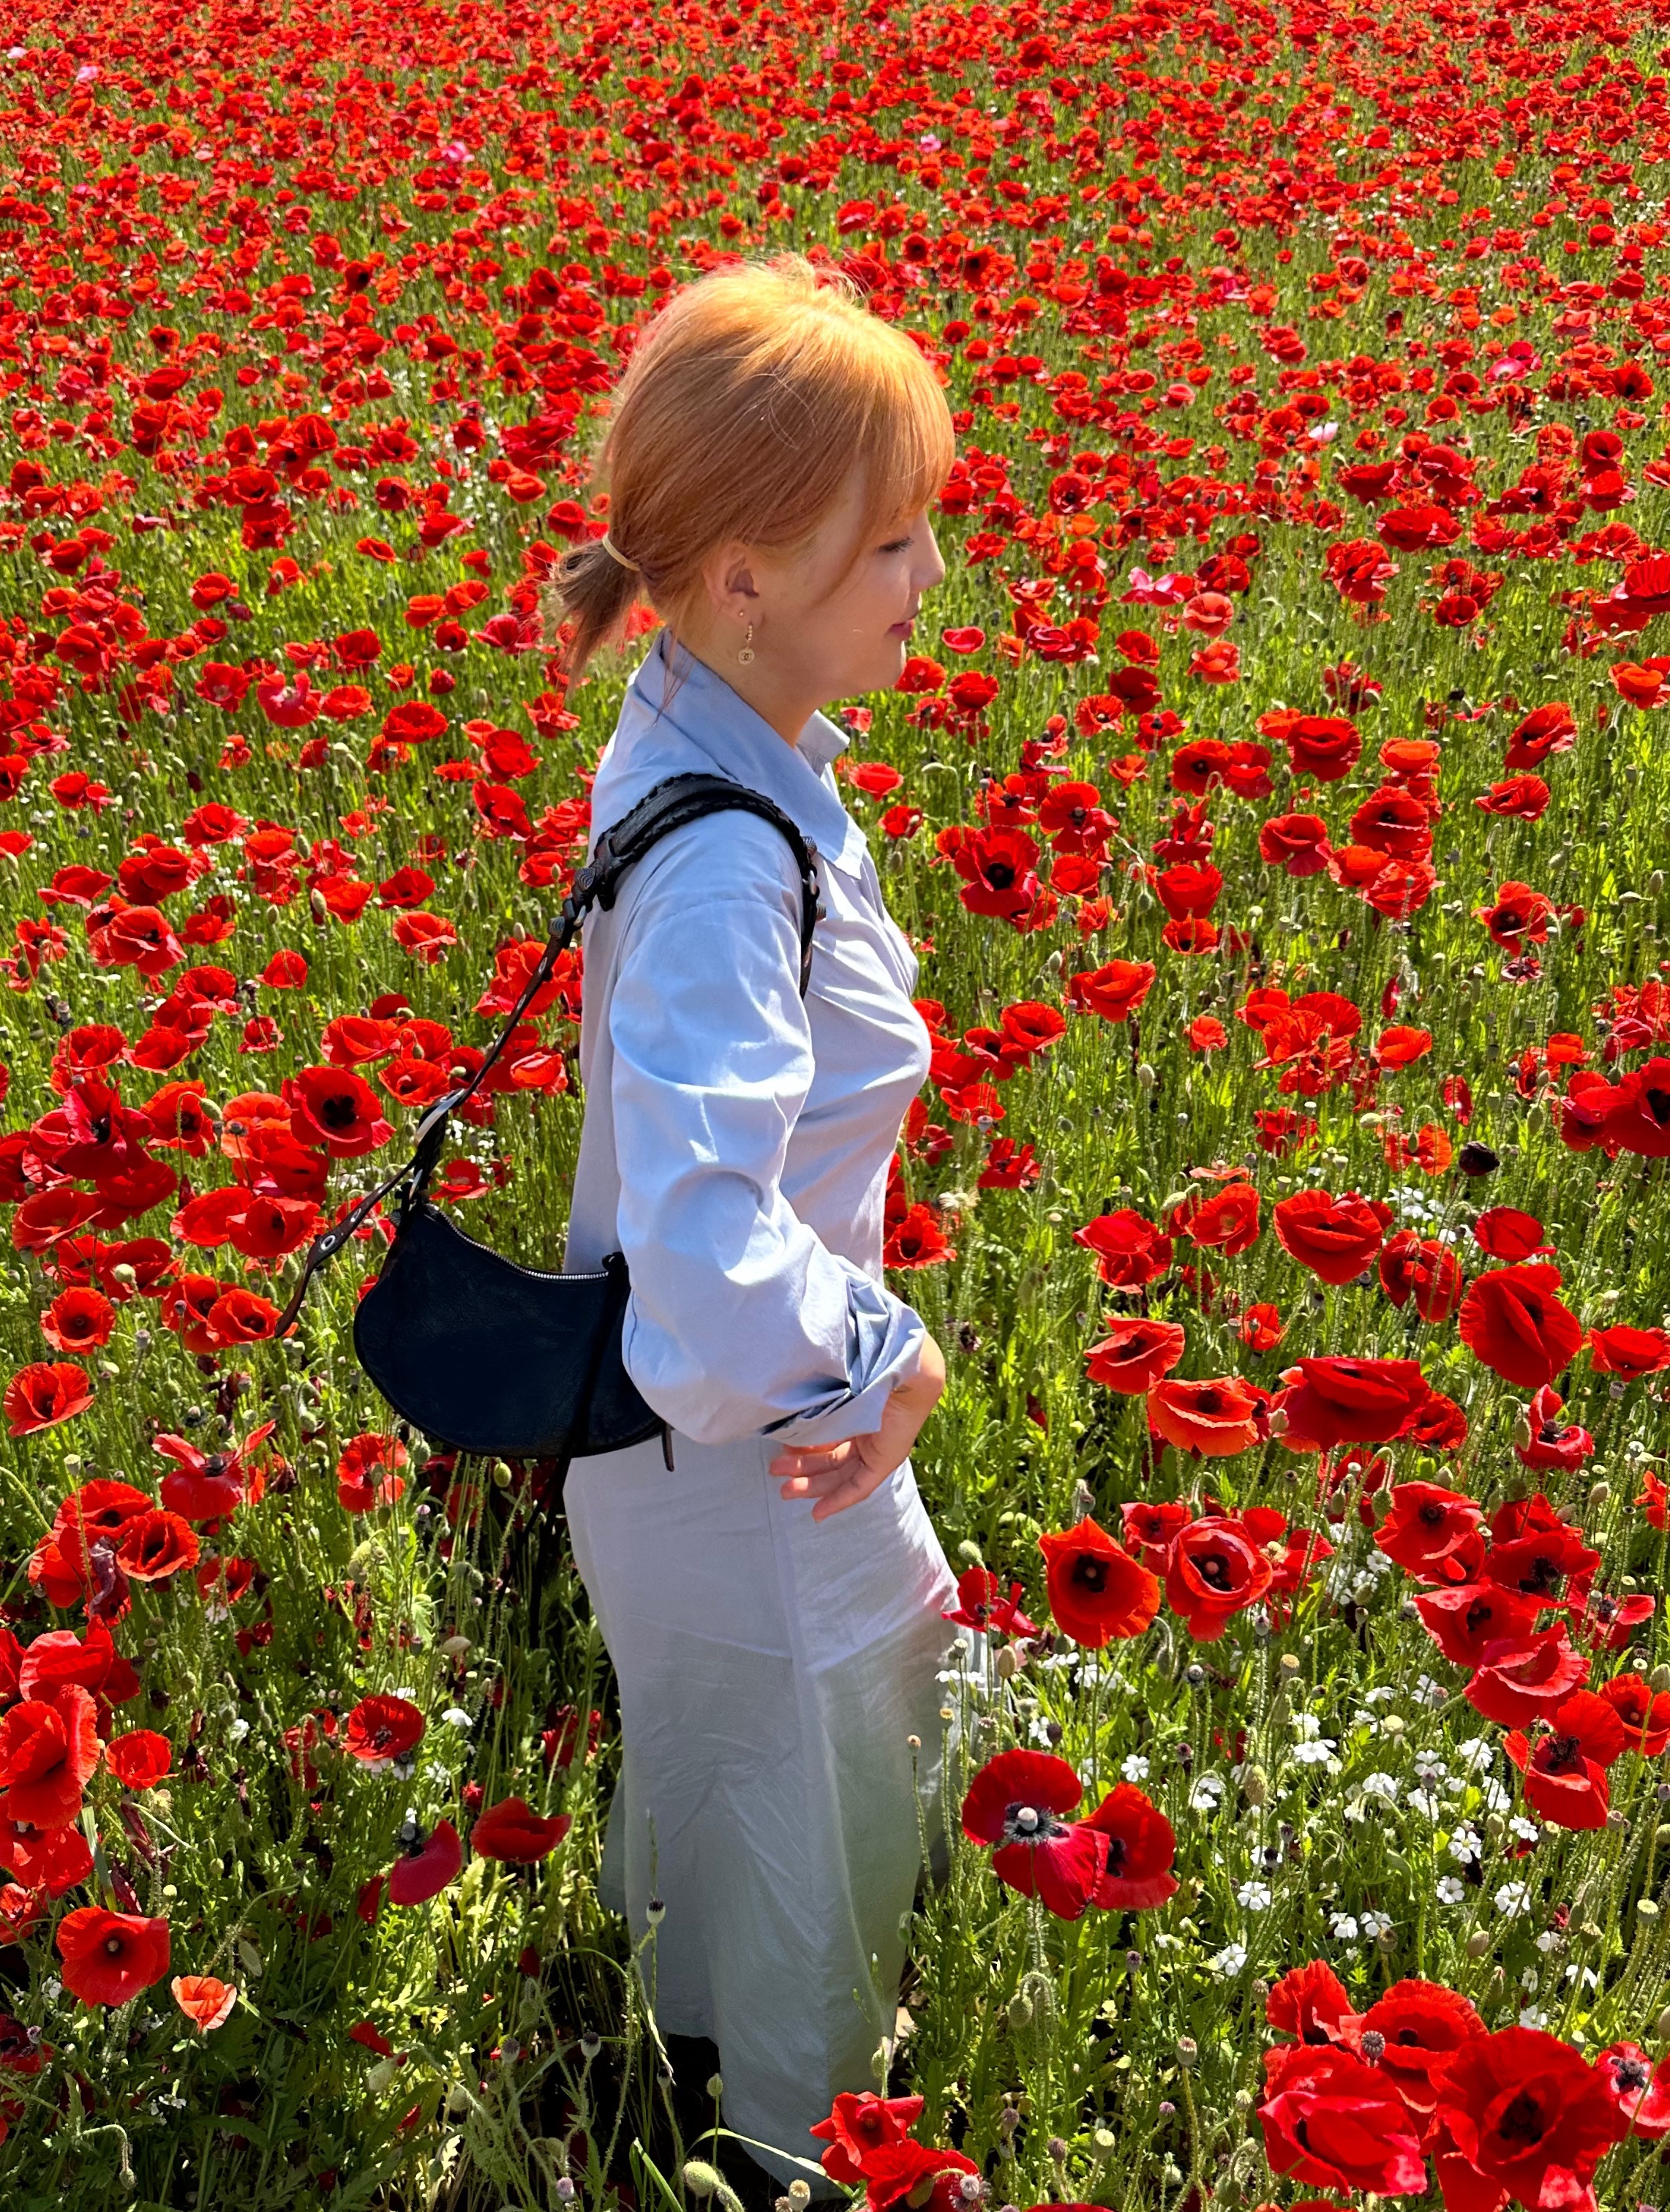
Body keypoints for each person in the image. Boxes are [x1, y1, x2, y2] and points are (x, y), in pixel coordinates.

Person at [545, 254, 964, 2192]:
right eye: (890, 546)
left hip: (731, 1455)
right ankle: (787, 2159)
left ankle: (710, 2091)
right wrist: (886, 1343)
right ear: (741, 583)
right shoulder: (727, 855)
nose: (924, 585)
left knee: (769, 1811)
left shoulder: (729, 749)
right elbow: (711, 1252)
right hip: (760, 1452)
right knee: (804, 1843)